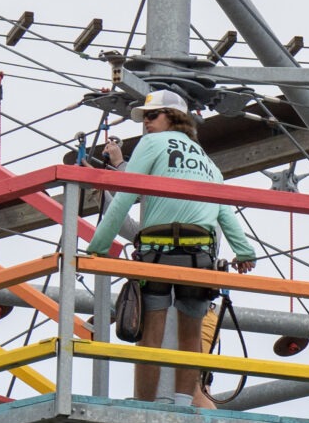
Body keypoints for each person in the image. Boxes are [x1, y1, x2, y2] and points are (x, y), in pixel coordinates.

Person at [85, 90, 260, 405]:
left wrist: (97, 246)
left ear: (174, 117)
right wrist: (245, 253)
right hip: (199, 254)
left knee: (151, 331)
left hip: (160, 249)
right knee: (191, 333)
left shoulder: (151, 145)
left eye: (152, 116)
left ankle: (146, 405)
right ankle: (181, 405)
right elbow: (224, 212)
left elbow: (124, 197)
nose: (146, 123)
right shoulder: (208, 163)